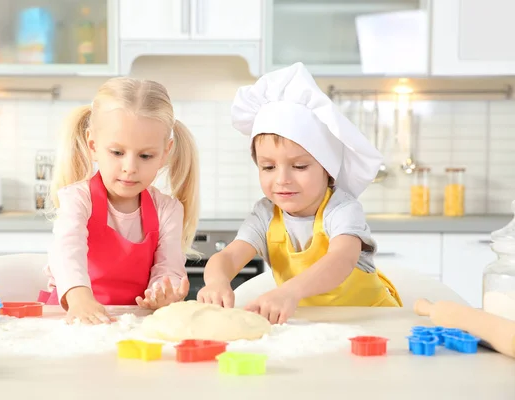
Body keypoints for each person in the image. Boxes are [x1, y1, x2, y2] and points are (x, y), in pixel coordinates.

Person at [197, 62, 402, 324]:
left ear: (327, 169)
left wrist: (289, 292)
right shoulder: (265, 215)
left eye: (300, 166)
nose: (282, 179)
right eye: (268, 167)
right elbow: (228, 255)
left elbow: (341, 259)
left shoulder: (341, 209)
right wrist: (217, 281)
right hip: (312, 325)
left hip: (371, 321)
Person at [38, 77, 200, 325]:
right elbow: (67, 249)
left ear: (164, 153)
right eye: (117, 153)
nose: (130, 168)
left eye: (146, 156)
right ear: (93, 145)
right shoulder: (79, 199)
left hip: (132, 324)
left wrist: (163, 292)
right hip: (71, 320)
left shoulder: (167, 210)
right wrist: (79, 297)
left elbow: (169, 268)